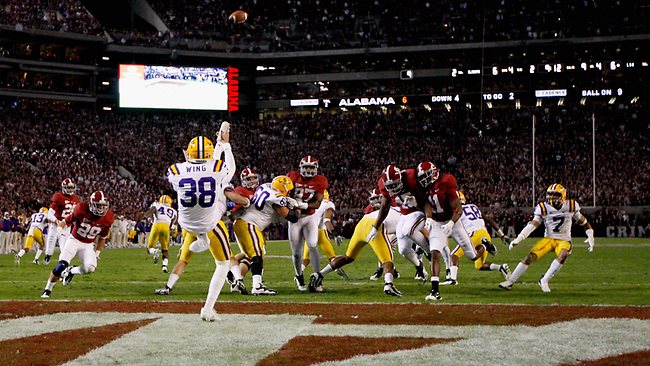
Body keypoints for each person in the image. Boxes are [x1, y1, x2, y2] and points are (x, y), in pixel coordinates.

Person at [154, 123, 250, 322]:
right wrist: (225, 146)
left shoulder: (175, 170)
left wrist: (217, 146)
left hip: (186, 222)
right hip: (209, 222)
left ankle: (202, 241)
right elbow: (228, 168)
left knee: (209, 202)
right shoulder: (216, 167)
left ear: (187, 153)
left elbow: (198, 168)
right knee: (223, 264)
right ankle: (207, 309)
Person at [499, 184, 595, 292]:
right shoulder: (543, 208)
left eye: (555, 195)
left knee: (563, 254)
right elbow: (532, 225)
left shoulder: (571, 206)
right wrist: (519, 238)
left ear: (562, 196)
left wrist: (590, 236)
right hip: (549, 239)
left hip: (564, 240)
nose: (551, 197)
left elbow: (585, 223)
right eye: (550, 195)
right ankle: (510, 281)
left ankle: (544, 280)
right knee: (529, 257)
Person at [419, 161, 492, 301]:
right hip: (437, 223)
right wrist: (428, 217)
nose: (424, 180)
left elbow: (458, 208)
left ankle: (484, 246)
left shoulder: (446, 181)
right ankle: (435, 291)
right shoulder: (424, 187)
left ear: (434, 173)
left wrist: (451, 223)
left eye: (426, 176)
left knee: (473, 256)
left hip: (454, 222)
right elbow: (427, 203)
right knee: (435, 253)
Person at [310, 188, 403, 296]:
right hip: (374, 226)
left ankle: (319, 275)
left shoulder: (395, 209)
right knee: (387, 260)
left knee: (347, 257)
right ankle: (389, 285)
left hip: (362, 223)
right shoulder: (405, 216)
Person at [232, 175, 300, 295]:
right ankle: (256, 286)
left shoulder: (265, 187)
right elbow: (292, 217)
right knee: (257, 255)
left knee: (254, 254)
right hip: (249, 224)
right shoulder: (277, 199)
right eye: (288, 189)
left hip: (244, 223)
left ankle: (236, 278)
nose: (290, 192)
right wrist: (298, 206)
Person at [41, 191, 114, 298]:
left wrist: (97, 252)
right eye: (98, 206)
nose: (101, 209)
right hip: (74, 240)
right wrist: (60, 229)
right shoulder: (81, 209)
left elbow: (102, 238)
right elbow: (65, 221)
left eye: (103, 206)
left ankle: (72, 271)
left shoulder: (108, 218)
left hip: (88, 245)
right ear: (91, 204)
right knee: (61, 265)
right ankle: (47, 289)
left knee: (90, 268)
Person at [367, 165, 429, 282]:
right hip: (404, 215)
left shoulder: (411, 178)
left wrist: (428, 215)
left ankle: (429, 251)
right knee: (403, 250)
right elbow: (384, 207)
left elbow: (427, 198)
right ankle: (419, 266)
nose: (393, 188)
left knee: (409, 231)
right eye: (390, 186)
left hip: (420, 211)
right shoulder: (384, 188)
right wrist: (375, 227)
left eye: (395, 184)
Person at [441, 191, 510, 285]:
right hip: (485, 234)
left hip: (473, 233)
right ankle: (501, 267)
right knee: (480, 266)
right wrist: (502, 235)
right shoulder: (473, 206)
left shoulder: (457, 210)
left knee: (454, 255)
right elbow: (488, 220)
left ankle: (453, 279)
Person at [286, 155, 328, 292]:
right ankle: (299, 276)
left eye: (311, 167)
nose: (309, 170)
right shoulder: (292, 176)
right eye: (306, 167)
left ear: (316, 168)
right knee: (297, 253)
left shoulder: (321, 181)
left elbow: (317, 203)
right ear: (300, 168)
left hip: (310, 217)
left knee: (313, 245)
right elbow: (284, 193)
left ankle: (317, 278)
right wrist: (290, 201)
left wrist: (301, 204)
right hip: (295, 219)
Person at [301, 189, 348, 290]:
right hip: (320, 232)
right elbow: (327, 220)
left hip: (309, 232)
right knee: (332, 256)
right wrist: (335, 234)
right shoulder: (328, 204)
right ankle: (335, 270)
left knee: (306, 258)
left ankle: (299, 276)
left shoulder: (312, 204)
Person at [226, 168, 260, 292]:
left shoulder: (258, 190)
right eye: (248, 179)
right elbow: (236, 211)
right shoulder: (240, 190)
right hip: (242, 223)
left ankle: (234, 275)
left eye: (253, 178)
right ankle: (235, 276)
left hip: (252, 224)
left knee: (250, 254)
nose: (251, 181)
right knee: (255, 254)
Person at [43, 178, 80, 265]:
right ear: (63, 187)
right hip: (55, 225)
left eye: (72, 187)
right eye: (69, 188)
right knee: (50, 244)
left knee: (64, 246)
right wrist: (56, 221)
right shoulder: (58, 196)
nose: (71, 189)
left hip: (66, 226)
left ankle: (63, 263)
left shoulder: (75, 198)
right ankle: (48, 256)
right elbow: (49, 214)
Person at [143, 195, 178, 273]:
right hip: (166, 227)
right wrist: (171, 230)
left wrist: (147, 217)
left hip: (157, 225)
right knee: (165, 249)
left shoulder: (157, 205)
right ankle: (164, 266)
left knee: (149, 248)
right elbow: (173, 223)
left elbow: (151, 211)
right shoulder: (173, 211)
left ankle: (155, 251)